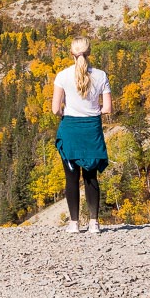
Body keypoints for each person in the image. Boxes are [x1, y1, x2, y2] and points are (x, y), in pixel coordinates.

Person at [52, 37, 112, 234]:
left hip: (70, 128)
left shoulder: (62, 76)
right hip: (91, 129)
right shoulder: (101, 76)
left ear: (71, 53)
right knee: (91, 176)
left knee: (71, 178)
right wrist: (94, 110)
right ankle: (94, 223)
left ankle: (74, 224)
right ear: (90, 52)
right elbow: (108, 108)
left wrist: (66, 113)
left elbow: (55, 109)